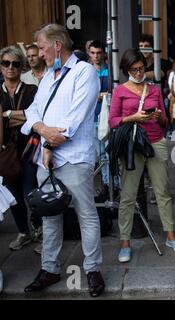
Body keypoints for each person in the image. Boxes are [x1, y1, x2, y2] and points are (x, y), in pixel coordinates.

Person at [21, 24, 105, 297]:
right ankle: (50, 269)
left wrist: (46, 139)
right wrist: (44, 131)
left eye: (43, 48)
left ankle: (92, 270)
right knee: (50, 215)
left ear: (57, 45)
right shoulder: (47, 76)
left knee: (86, 216)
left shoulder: (85, 72)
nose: (40, 54)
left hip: (74, 157)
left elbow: (73, 120)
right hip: (46, 158)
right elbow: (32, 111)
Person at [109, 48, 175, 262]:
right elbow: (112, 121)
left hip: (156, 141)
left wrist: (159, 116)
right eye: (134, 69)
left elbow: (164, 123)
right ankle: (125, 242)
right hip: (132, 145)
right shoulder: (120, 91)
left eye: (142, 69)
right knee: (128, 195)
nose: (139, 73)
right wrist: (133, 117)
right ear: (126, 70)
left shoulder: (154, 89)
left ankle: (170, 236)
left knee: (163, 191)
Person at [0, 45, 38, 251]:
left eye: (15, 64)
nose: (10, 68)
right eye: (6, 63)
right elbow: (26, 117)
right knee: (13, 196)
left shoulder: (32, 90)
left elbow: (35, 116)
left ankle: (39, 231)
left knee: (31, 193)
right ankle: (24, 232)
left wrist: (6, 115)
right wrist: (22, 116)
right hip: (5, 152)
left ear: (21, 67)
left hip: (28, 149)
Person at [88, 40, 112, 196]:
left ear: (103, 53)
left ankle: (112, 185)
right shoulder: (86, 70)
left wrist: (100, 96)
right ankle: (106, 184)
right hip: (92, 117)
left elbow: (113, 93)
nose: (96, 56)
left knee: (110, 153)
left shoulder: (110, 70)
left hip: (108, 116)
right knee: (101, 154)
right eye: (93, 53)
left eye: (98, 52)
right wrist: (101, 96)